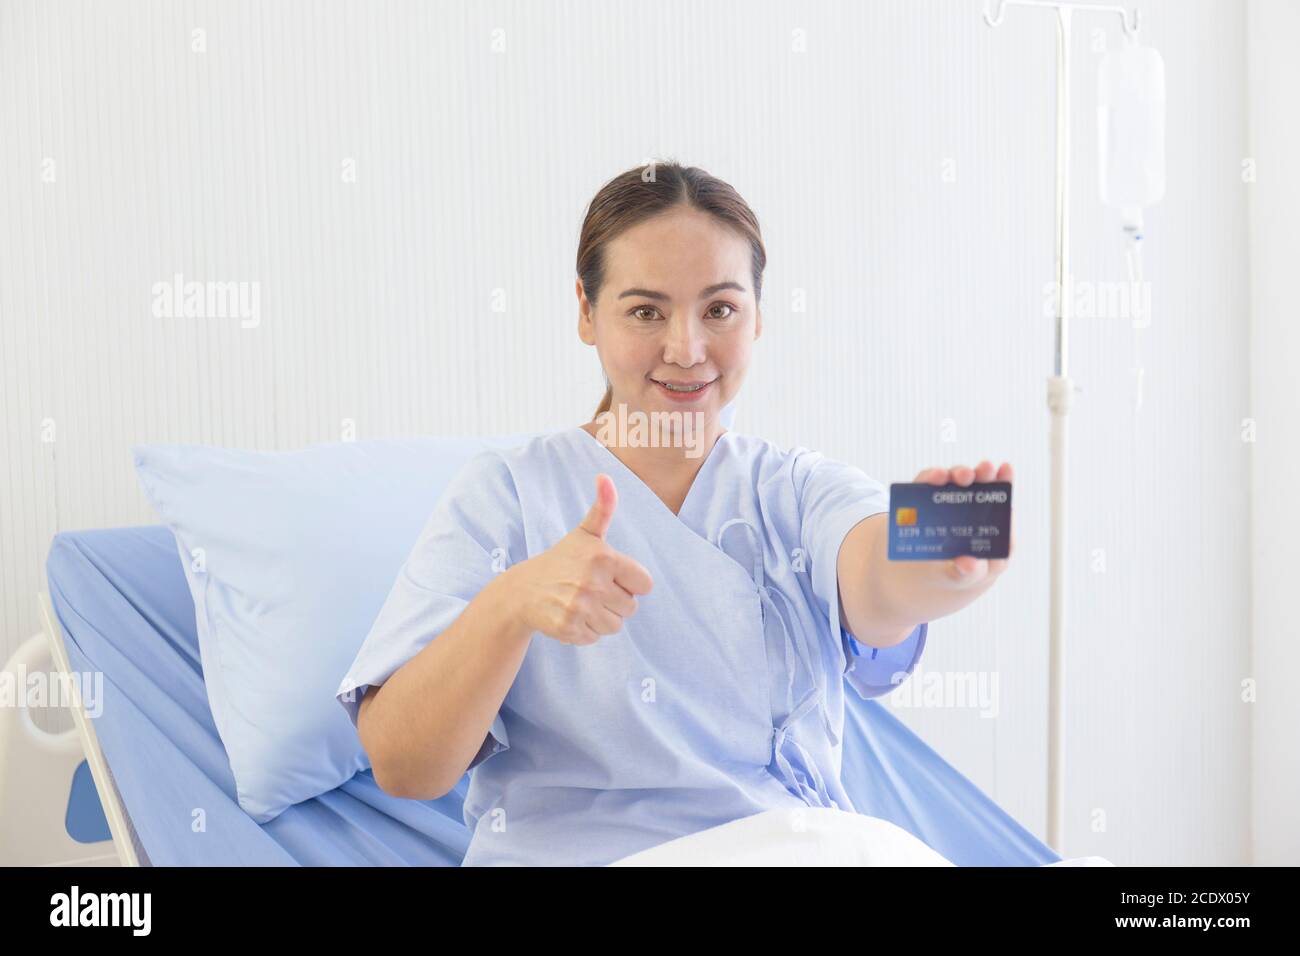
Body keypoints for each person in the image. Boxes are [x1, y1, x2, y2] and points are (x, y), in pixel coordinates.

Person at [335, 161, 1014, 866]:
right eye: (645, 311)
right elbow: (405, 766)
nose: (686, 349)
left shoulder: (798, 490)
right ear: (585, 311)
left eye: (720, 309)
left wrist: (942, 555)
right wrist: (511, 606)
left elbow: (877, 580)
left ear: (758, 314)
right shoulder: (508, 495)